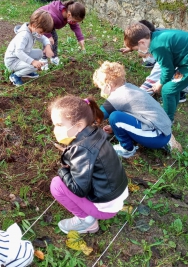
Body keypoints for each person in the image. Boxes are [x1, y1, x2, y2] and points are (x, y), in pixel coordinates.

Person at [49, 95, 129, 234]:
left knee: (57, 185)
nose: (55, 129)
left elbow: (79, 189)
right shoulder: (94, 133)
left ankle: (86, 221)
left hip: (106, 207)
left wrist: (63, 171)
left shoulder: (82, 150)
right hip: (115, 194)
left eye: (60, 125)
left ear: (79, 125)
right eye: (54, 124)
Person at [121, 23, 188, 121]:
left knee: (167, 90)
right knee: (173, 88)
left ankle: (167, 120)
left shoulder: (157, 48)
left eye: (137, 49)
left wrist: (160, 83)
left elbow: (168, 70)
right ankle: (171, 107)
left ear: (141, 42)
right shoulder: (154, 35)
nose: (138, 51)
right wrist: (131, 47)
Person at [93, 61, 181, 158]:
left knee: (115, 117)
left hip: (156, 137)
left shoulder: (117, 97)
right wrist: (115, 127)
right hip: (164, 130)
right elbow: (133, 112)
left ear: (108, 86)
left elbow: (97, 117)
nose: (101, 91)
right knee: (117, 119)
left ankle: (127, 150)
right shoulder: (129, 88)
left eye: (101, 88)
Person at [137, 20, 188, 103]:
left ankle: (178, 94)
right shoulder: (160, 37)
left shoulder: (162, 52)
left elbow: (154, 79)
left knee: (163, 83)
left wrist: (139, 95)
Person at [5, 10, 54, 86]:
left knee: (39, 53)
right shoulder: (24, 35)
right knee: (34, 66)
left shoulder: (33, 31)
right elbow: (18, 52)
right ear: (34, 25)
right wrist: (33, 62)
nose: (42, 35)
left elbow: (44, 39)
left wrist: (48, 46)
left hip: (22, 56)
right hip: (13, 61)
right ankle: (15, 75)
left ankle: (26, 71)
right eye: (41, 32)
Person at [38, 0, 86, 70]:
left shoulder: (68, 14)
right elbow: (42, 24)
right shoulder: (53, 16)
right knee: (47, 42)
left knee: (54, 38)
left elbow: (75, 26)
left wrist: (80, 38)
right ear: (69, 15)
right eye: (75, 21)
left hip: (50, 24)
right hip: (40, 23)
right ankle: (43, 60)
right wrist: (48, 36)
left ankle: (53, 58)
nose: (74, 23)